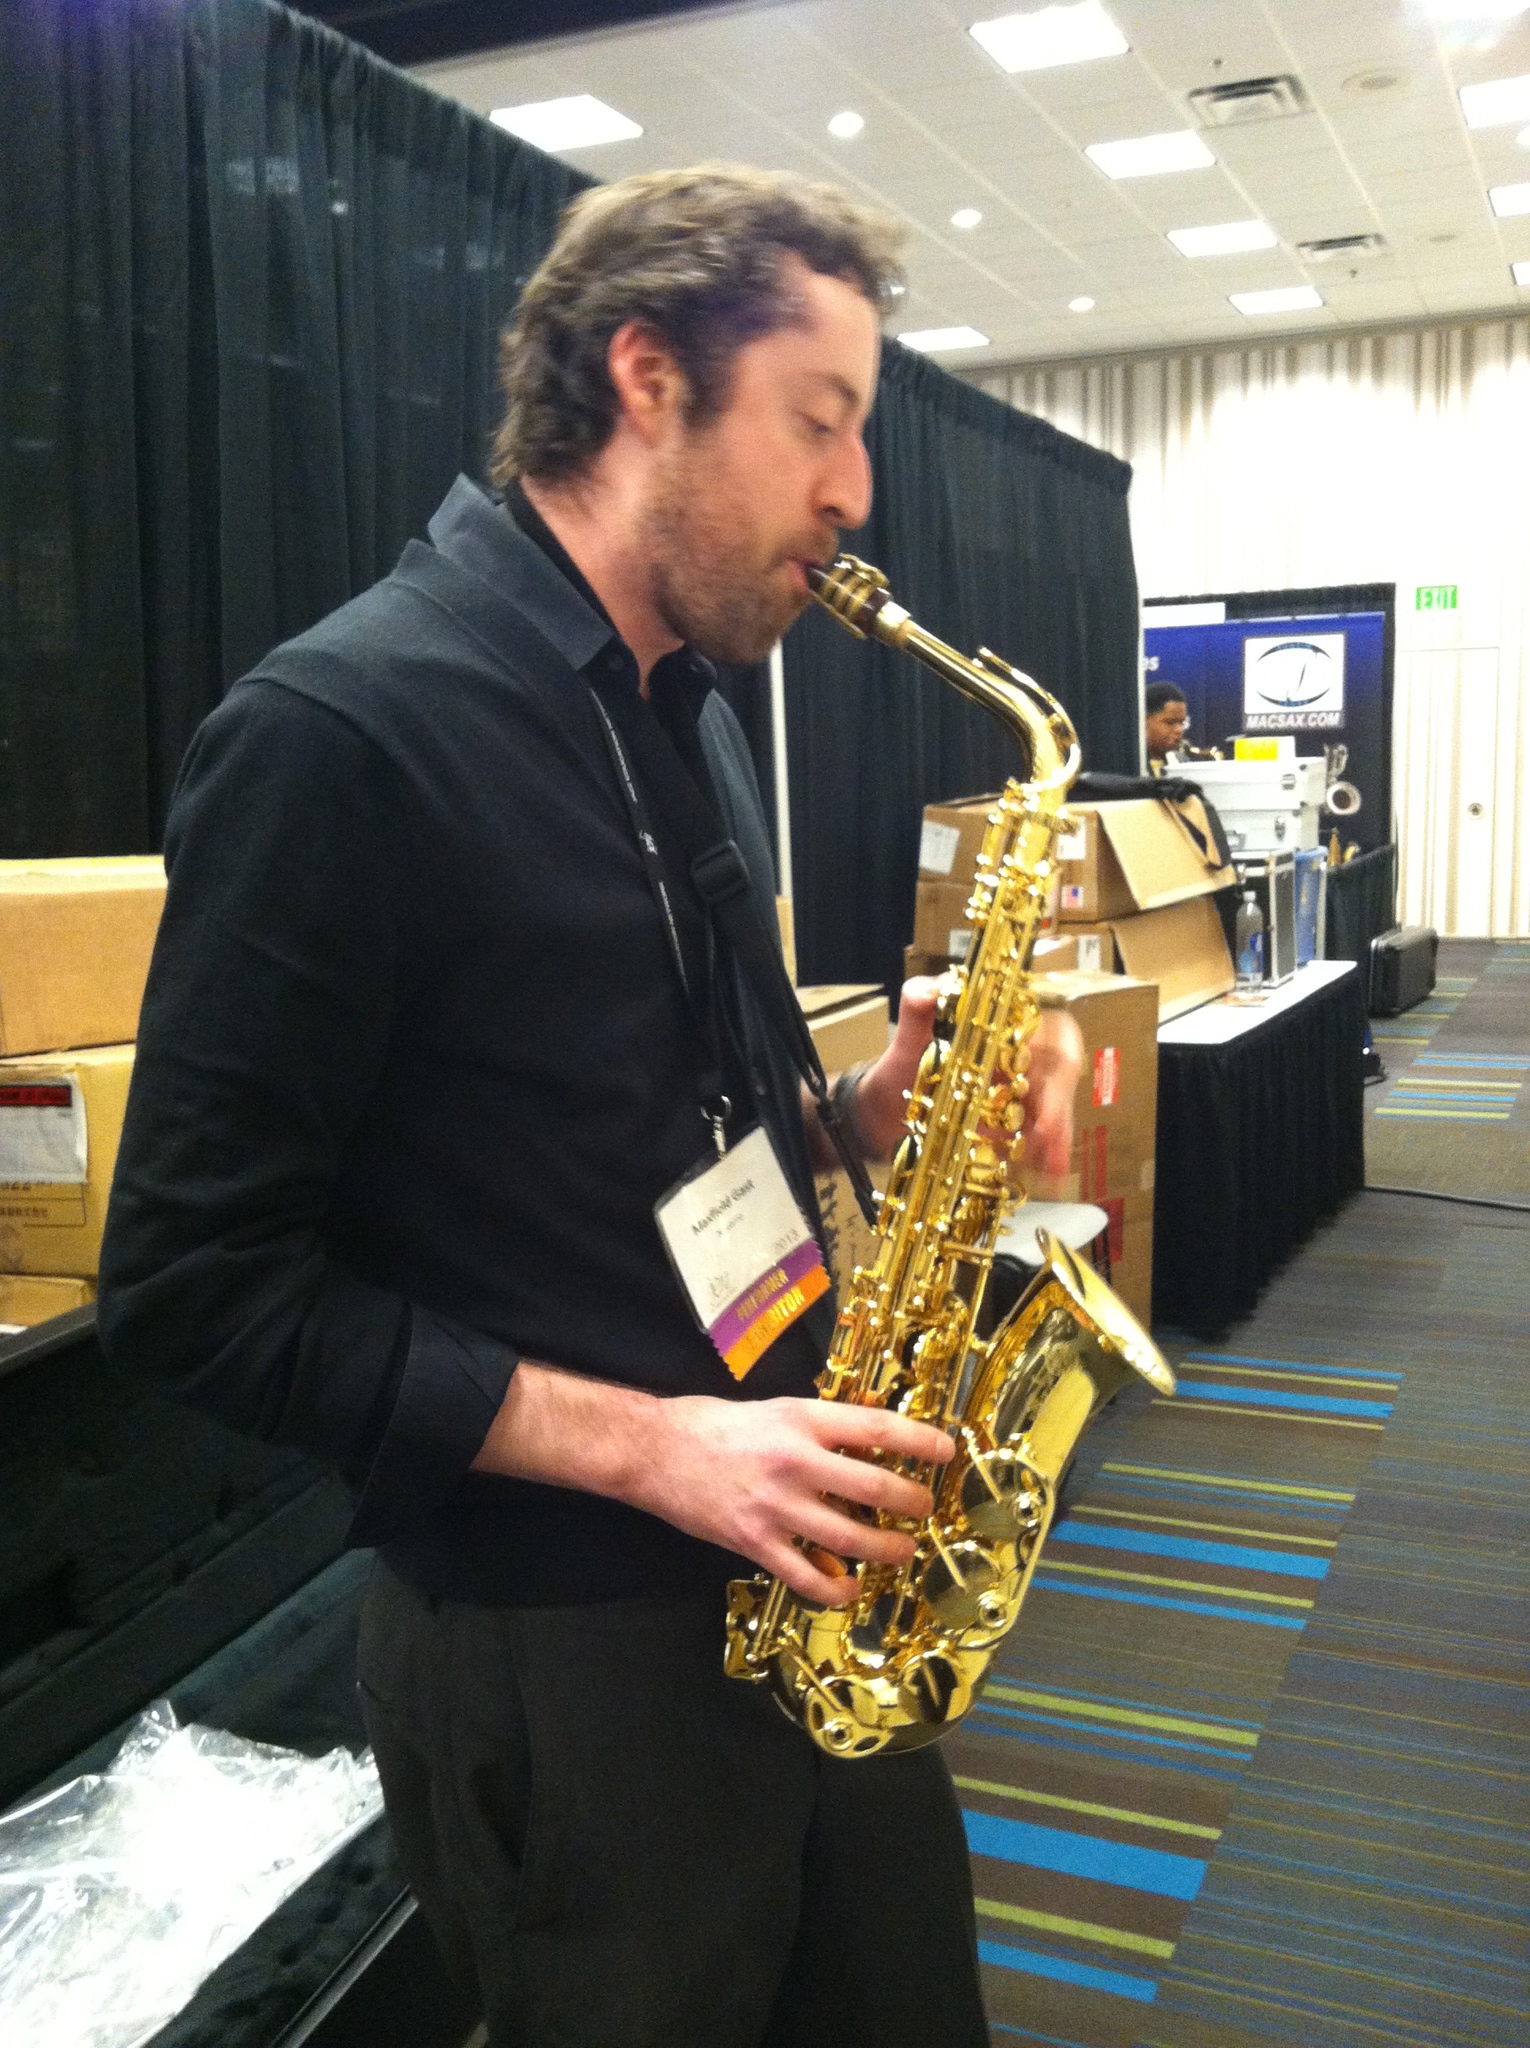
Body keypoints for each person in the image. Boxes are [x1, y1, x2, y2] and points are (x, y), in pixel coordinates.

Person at [98, 165, 1084, 2048]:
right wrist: (654, 1449)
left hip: (797, 1577)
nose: (855, 492)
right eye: (819, 420)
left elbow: (645, 1119)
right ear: (647, 377)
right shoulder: (338, 735)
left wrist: (868, 1111)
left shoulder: (685, 705)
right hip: (561, 1662)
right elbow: (191, 1288)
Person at [1143, 679, 1189, 771]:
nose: (1179, 730)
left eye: (1182, 723)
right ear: (1144, 721)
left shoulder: (1184, 764)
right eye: (1170, 722)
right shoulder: (1125, 767)